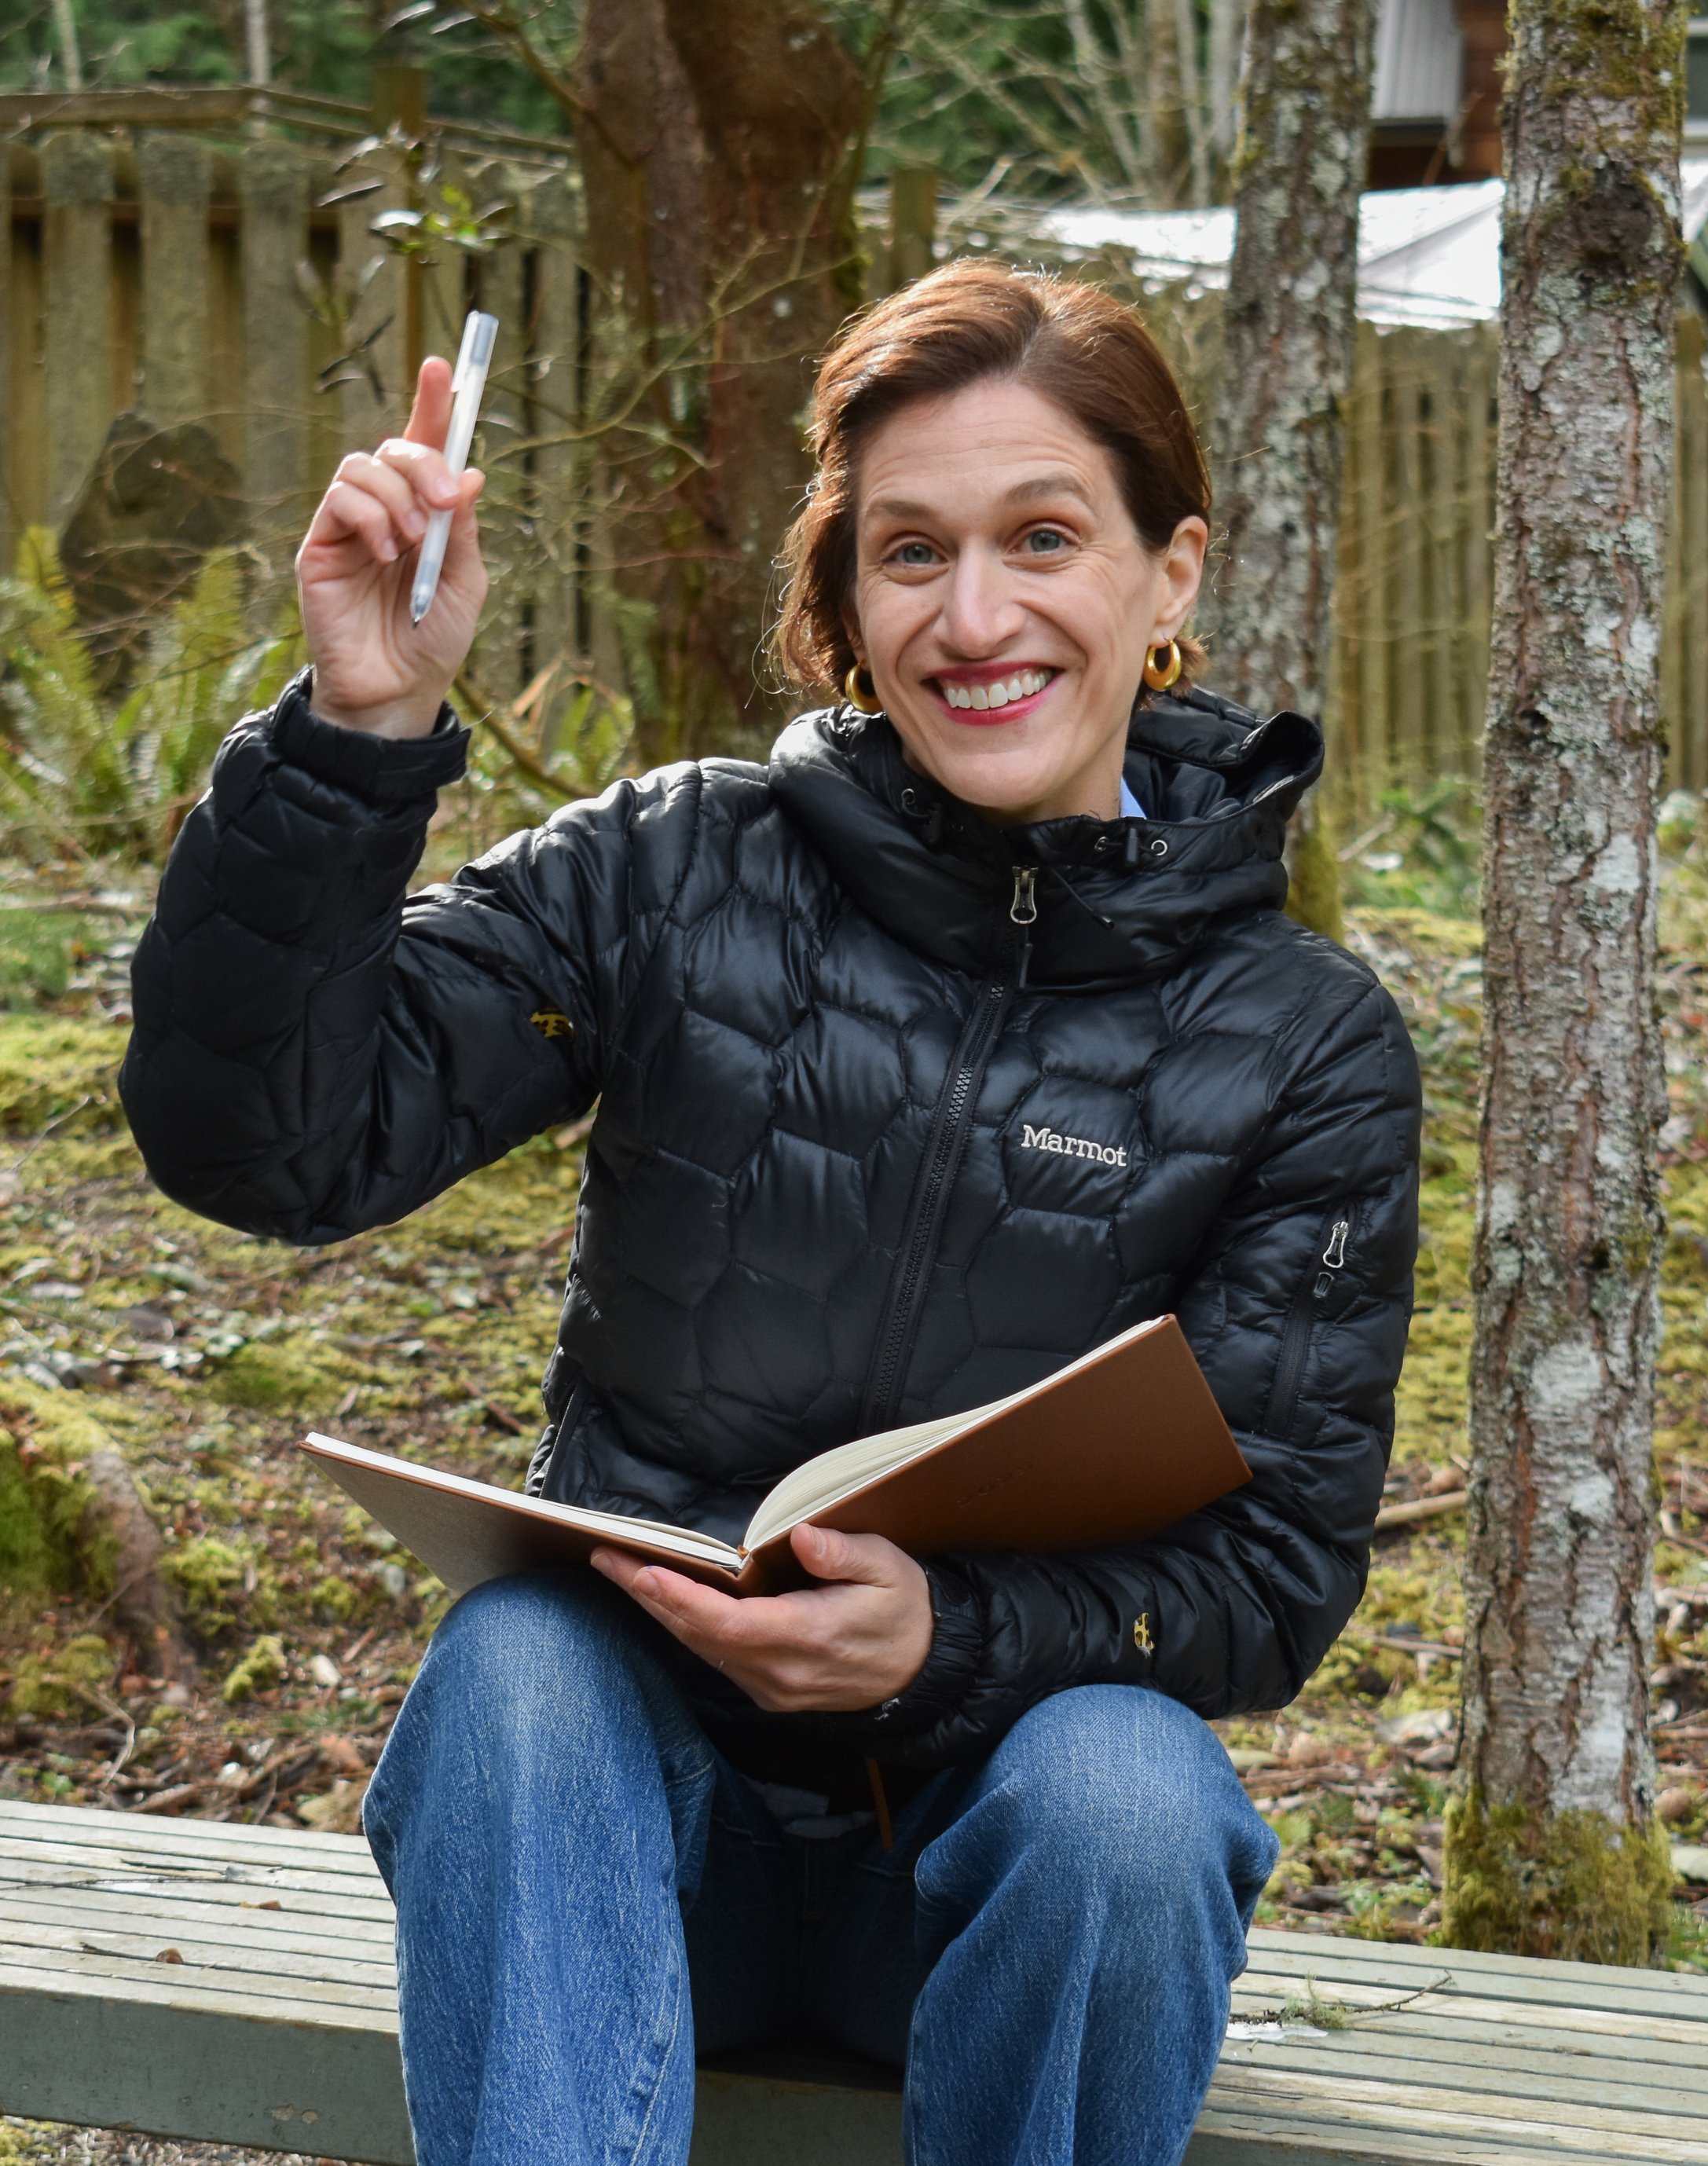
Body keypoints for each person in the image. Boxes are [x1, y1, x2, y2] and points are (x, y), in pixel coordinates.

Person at [119, 261, 1420, 2166]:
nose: (973, 616)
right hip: (627, 1846)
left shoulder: (1306, 1046)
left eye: (1041, 536)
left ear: (1169, 574)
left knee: (1133, 1796)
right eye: (909, 553)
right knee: (510, 1664)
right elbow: (268, 1144)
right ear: (846, 597)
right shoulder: (675, 869)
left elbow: (1270, 1575)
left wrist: (940, 1643)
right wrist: (355, 729)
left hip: (991, 1880)